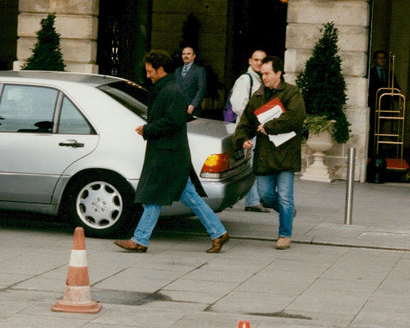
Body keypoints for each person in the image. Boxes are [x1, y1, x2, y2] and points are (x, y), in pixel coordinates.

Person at [114, 50, 230, 253]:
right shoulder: (169, 88)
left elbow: (173, 121)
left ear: (160, 70)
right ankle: (218, 232)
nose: (147, 75)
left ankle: (140, 239)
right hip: (169, 154)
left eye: (150, 71)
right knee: (183, 197)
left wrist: (147, 129)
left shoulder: (172, 91)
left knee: (153, 196)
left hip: (168, 155)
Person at [234, 55, 306, 249]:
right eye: (262, 73)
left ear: (279, 74)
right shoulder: (257, 96)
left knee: (285, 196)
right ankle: (287, 212)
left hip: (285, 154)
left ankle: (284, 235)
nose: (264, 77)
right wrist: (242, 139)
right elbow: (246, 122)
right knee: (265, 195)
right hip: (265, 155)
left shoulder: (292, 93)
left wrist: (270, 126)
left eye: (267, 73)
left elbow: (296, 117)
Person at [229, 49, 268, 213]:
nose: (259, 63)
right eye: (256, 60)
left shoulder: (259, 79)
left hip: (256, 128)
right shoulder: (246, 80)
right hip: (250, 129)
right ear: (250, 61)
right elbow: (238, 105)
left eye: (262, 60)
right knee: (250, 164)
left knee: (252, 163)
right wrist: (254, 121)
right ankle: (252, 201)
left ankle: (253, 199)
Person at [178, 46, 206, 116]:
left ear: (194, 56)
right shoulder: (177, 71)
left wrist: (193, 105)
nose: (185, 56)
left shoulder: (199, 70)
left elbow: (201, 89)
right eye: (183, 54)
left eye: (188, 54)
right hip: (177, 107)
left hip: (192, 109)